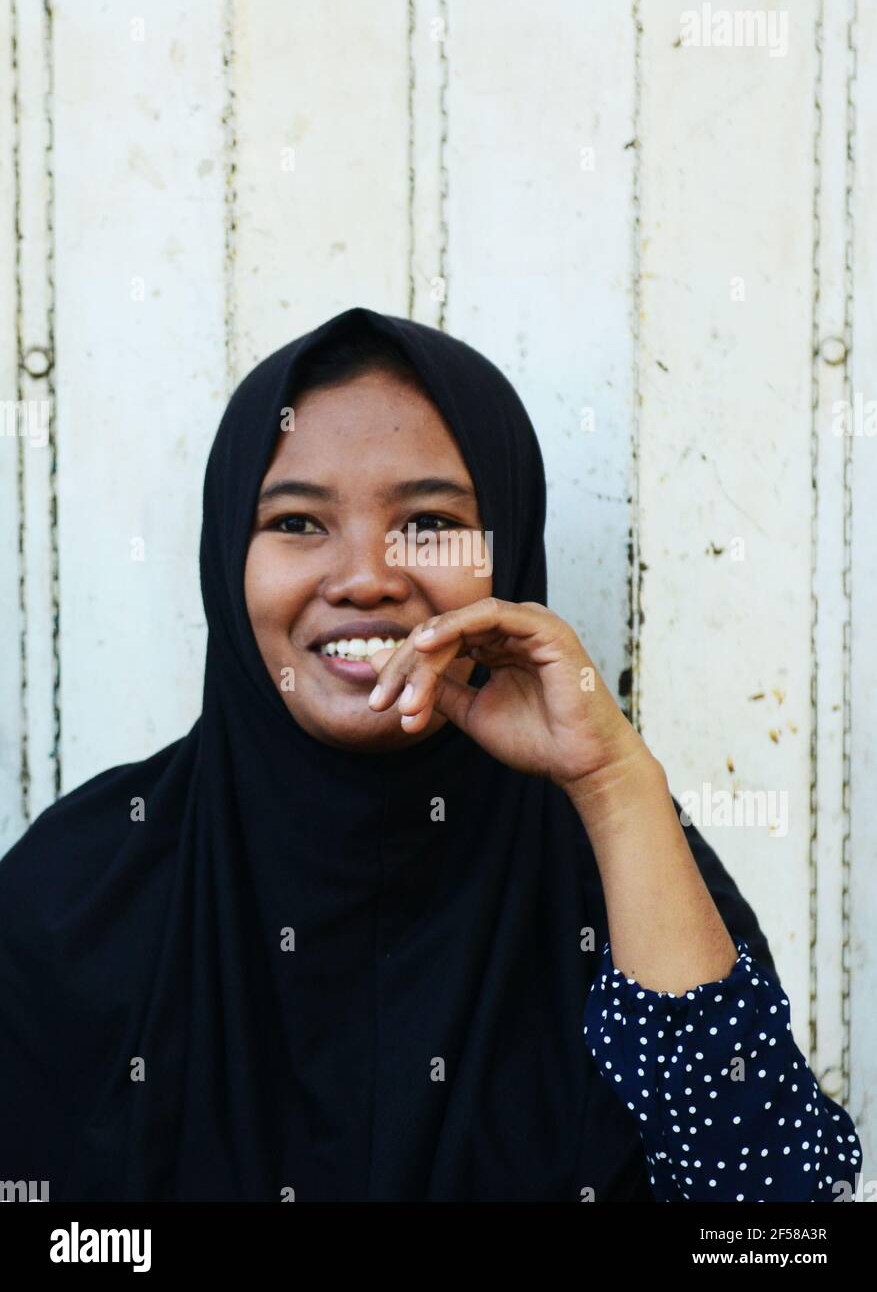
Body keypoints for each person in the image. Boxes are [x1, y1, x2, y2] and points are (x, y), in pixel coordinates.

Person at [0, 306, 862, 1201]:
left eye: (429, 522)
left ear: (508, 551)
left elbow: (770, 1225)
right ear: (227, 557)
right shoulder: (84, 887)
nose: (368, 575)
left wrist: (611, 783)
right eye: (297, 523)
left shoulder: (617, 867)